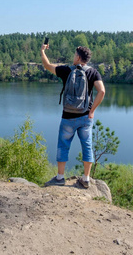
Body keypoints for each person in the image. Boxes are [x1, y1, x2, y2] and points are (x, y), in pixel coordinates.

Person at [40, 43, 105, 188]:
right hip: (85, 117)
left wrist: (42, 51)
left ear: (78, 57)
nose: (73, 57)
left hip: (68, 117)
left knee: (63, 146)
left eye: (75, 54)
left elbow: (47, 65)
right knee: (87, 146)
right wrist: (92, 110)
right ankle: (86, 179)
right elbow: (102, 92)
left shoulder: (66, 70)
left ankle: (60, 178)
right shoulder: (93, 72)